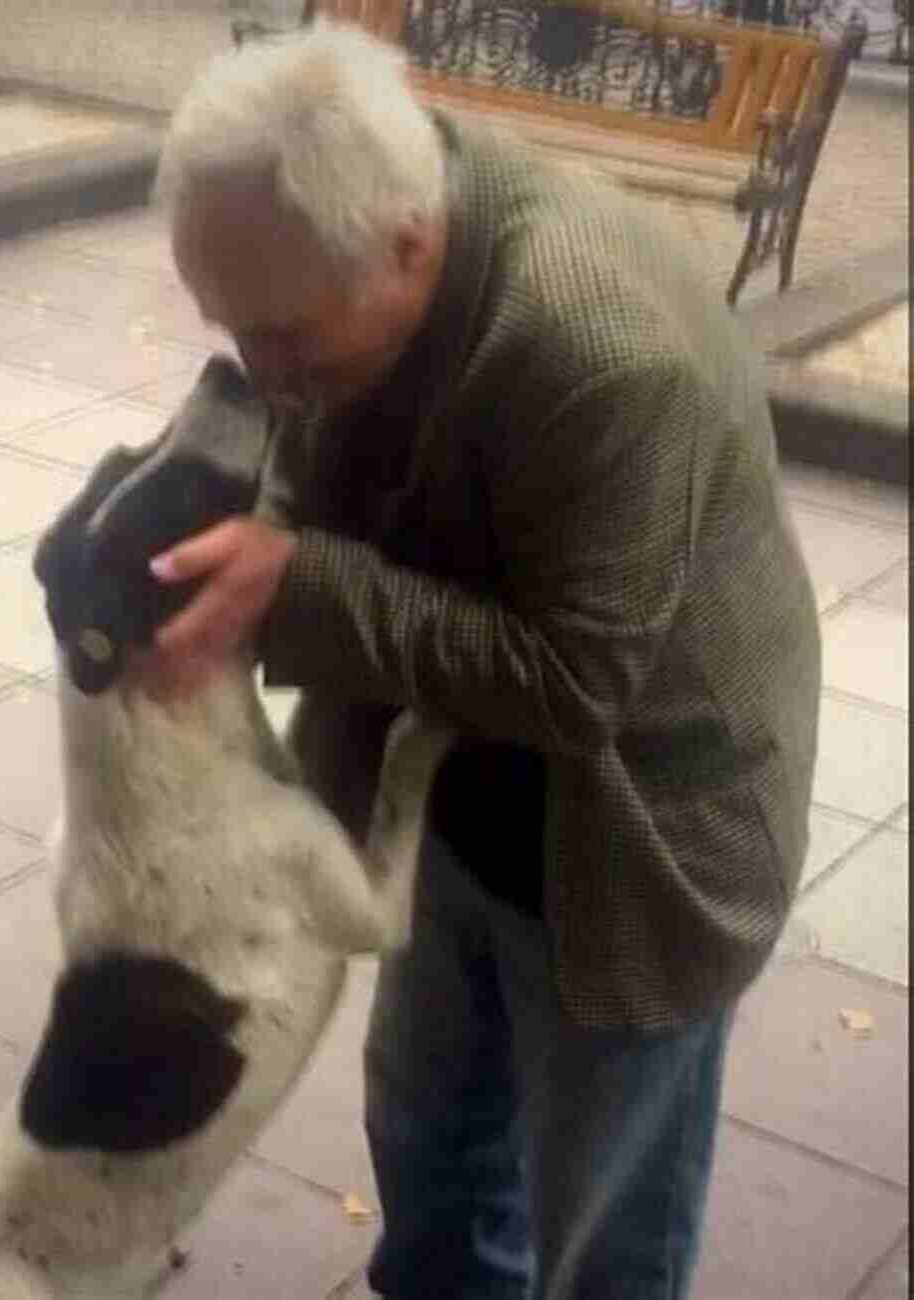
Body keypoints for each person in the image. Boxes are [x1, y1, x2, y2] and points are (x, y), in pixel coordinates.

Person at [141, 20, 822, 1300]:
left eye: (285, 336)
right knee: (433, 1146)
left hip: (642, 832)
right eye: (231, 329)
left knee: (604, 1234)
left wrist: (300, 585)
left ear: (408, 244)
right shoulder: (383, 204)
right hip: (461, 780)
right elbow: (324, 443)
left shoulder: (600, 352)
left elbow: (575, 685)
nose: (262, 378)